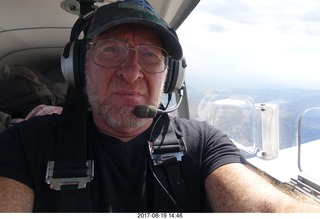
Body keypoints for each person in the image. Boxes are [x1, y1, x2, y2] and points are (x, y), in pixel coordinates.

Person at [0, 0, 319, 213]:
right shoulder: (25, 144)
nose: (132, 71)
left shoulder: (202, 144)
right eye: (111, 50)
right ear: (79, 67)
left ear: (171, 76)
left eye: (151, 55)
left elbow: (267, 208)